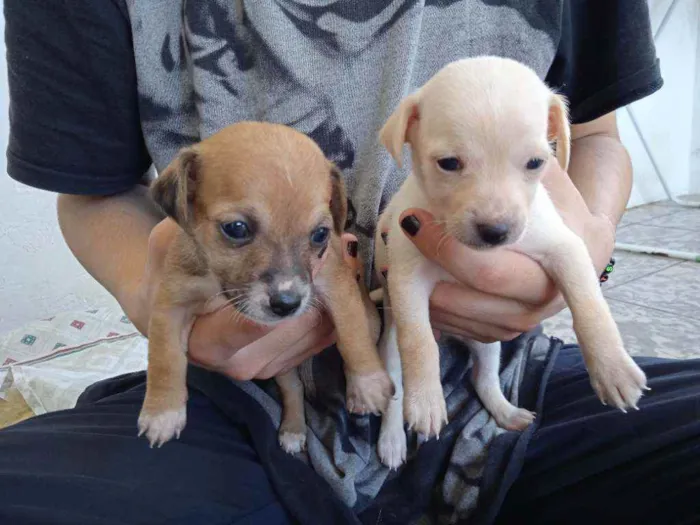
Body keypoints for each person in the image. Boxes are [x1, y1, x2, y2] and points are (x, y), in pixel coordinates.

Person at [2, 1, 698, 524]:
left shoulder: (344, 241)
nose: (286, 280)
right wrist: (152, 295)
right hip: (243, 402)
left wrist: (584, 252)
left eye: (316, 238)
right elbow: (92, 193)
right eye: (238, 227)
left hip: (517, 376)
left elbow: (594, 134)